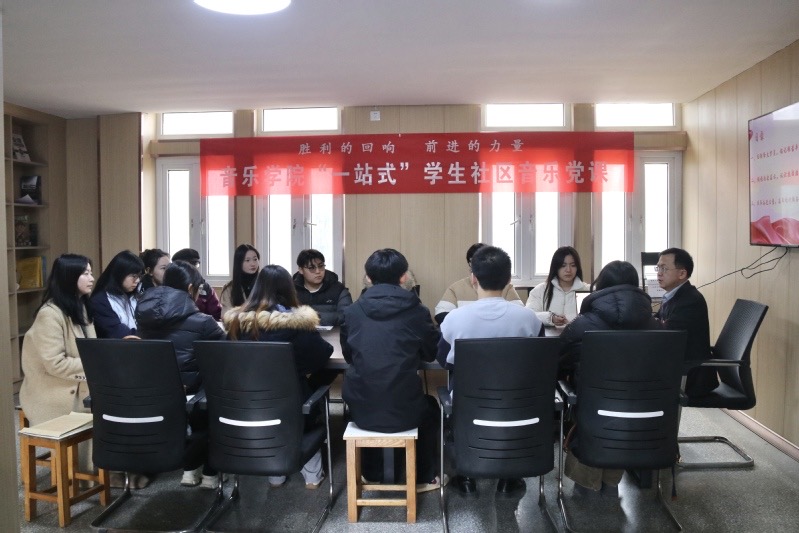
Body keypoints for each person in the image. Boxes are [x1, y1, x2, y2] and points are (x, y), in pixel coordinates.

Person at [437, 245, 544, 495]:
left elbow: (443, 360)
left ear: (473, 278)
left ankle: (465, 477)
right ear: (508, 281)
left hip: (469, 406)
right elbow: (538, 362)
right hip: (519, 404)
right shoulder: (529, 319)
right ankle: (510, 477)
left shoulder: (455, 319)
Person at [341, 248, 444, 492]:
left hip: (361, 410)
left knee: (371, 400)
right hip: (406, 408)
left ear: (368, 278)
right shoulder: (418, 311)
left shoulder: (351, 312)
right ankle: (424, 477)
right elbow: (431, 353)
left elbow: (349, 356)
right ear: (404, 277)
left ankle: (373, 473)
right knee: (430, 407)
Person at [224, 264, 333, 489]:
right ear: (288, 289)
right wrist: (299, 369)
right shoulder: (296, 323)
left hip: (247, 405)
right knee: (309, 396)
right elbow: (322, 354)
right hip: (291, 405)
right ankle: (312, 477)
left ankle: (275, 476)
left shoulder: (236, 323)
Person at [559, 260, 657, 494]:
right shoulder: (657, 326)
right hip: (641, 411)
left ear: (600, 286)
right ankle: (612, 480)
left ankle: (586, 483)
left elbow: (557, 362)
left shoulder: (582, 325)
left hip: (593, 413)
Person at [136, 260, 226, 489]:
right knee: (215, 393)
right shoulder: (203, 322)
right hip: (194, 396)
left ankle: (189, 470)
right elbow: (226, 355)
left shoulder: (144, 317)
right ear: (190, 289)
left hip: (156, 394)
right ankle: (210, 474)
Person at [19, 254, 95, 428]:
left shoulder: (81, 307)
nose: (91, 278)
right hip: (54, 394)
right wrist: (95, 363)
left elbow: (91, 348)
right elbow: (56, 364)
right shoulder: (49, 314)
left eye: (91, 273)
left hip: (81, 385)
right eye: (85, 274)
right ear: (69, 277)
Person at [655, 247, 718, 397]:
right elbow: (657, 322)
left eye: (664, 268)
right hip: (678, 367)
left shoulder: (690, 300)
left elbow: (666, 333)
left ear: (682, 274)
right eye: (658, 268)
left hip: (692, 375)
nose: (659, 273)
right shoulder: (674, 296)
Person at [434, 242, 522, 324]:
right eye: (474, 261)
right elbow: (441, 314)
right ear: (470, 264)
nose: (480, 265)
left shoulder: (506, 287)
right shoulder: (455, 288)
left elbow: (519, 314)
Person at [526, 246, 590, 326]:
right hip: (548, 334)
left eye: (573, 265)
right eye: (563, 265)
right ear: (556, 267)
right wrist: (550, 318)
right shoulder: (540, 290)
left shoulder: (588, 290)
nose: (568, 270)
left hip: (578, 334)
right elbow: (529, 315)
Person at [90, 250, 144, 338]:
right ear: (119, 274)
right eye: (134, 276)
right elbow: (118, 333)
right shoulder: (100, 301)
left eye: (139, 276)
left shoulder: (135, 296)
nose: (137, 280)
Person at [292, 249, 352, 327]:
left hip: (333, 334)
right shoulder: (291, 290)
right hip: (298, 333)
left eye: (321, 266)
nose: (318, 271)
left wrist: (316, 317)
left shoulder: (338, 289)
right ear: (301, 270)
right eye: (312, 268)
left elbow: (347, 315)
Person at [172, 248, 222, 320]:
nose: (193, 269)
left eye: (195, 264)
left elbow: (217, 314)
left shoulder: (205, 288)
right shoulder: (169, 286)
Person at [220, 244, 260, 316]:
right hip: (238, 323)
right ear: (239, 263)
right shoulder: (229, 288)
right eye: (247, 260)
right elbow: (225, 315)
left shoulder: (264, 284)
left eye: (255, 259)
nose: (253, 264)